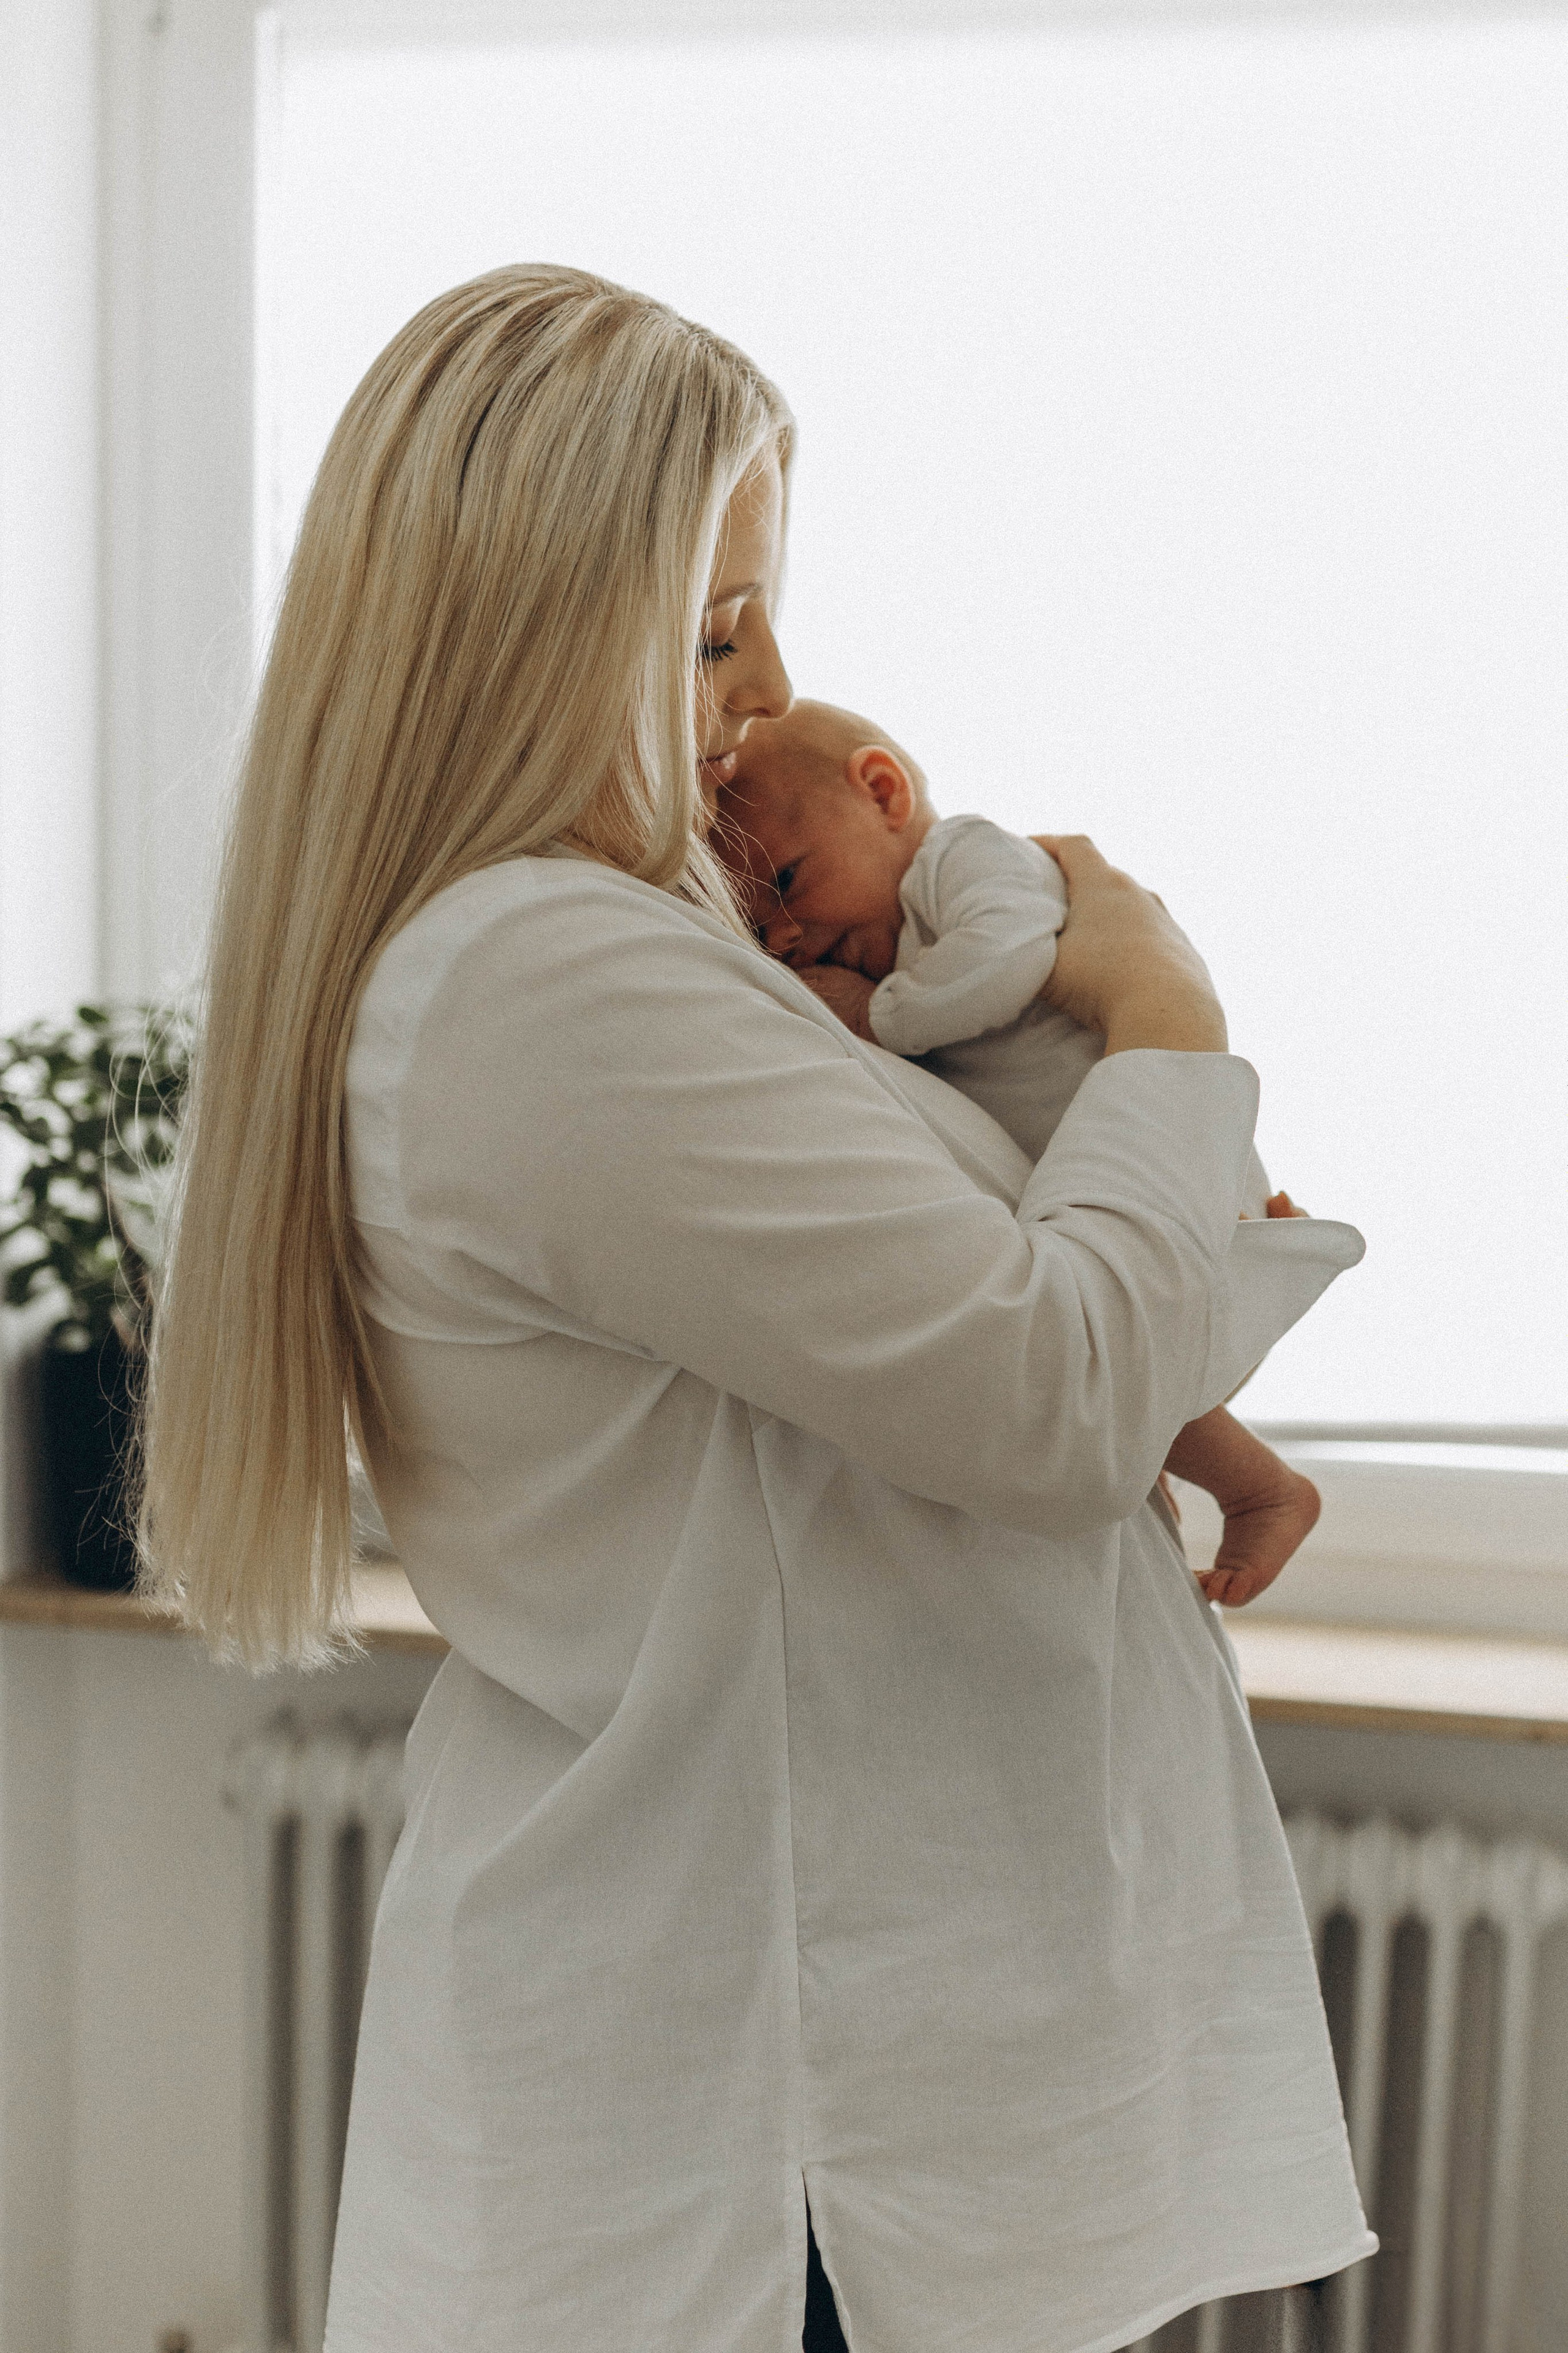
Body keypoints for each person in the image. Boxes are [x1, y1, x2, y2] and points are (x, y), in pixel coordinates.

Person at [140, 265, 1374, 2353]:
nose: (777, 684)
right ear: (537, 638)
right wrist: (1162, 1009)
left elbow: (1002, 1324)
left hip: (788, 2060)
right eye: (716, 631)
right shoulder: (549, 985)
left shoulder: (637, 958)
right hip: (773, 2106)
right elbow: (1056, 1390)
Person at [715, 697, 1324, 1611]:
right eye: (763, 931)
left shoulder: (965, 859)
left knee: (1137, 1341)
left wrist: (878, 1016)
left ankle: (1261, 1471)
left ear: (882, 791)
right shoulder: (901, 964)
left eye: (790, 883)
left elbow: (1009, 956)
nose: (788, 936)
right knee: (1119, 1372)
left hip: (1164, 1150)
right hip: (1097, 1189)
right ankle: (1256, 1484)